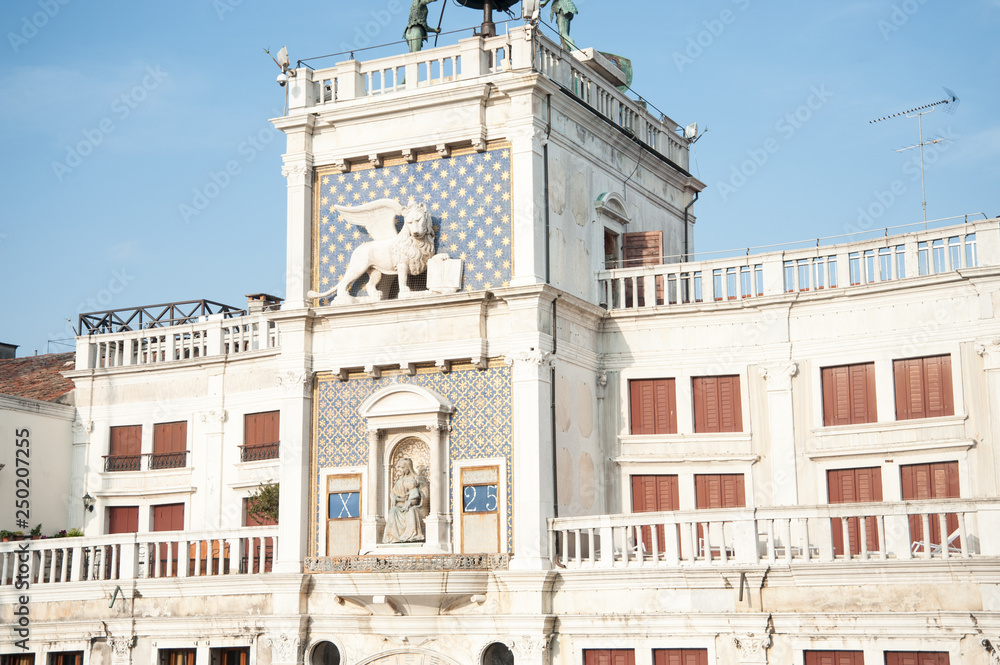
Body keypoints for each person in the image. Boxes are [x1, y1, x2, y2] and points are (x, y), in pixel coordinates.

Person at [383, 458, 429, 543]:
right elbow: (393, 493)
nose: (401, 470)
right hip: (401, 505)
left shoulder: (417, 479)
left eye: (403, 468)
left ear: (408, 467)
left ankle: (412, 536)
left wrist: (417, 495)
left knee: (411, 511)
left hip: (415, 505)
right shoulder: (400, 481)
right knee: (393, 511)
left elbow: (425, 494)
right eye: (400, 468)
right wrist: (397, 498)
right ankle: (394, 537)